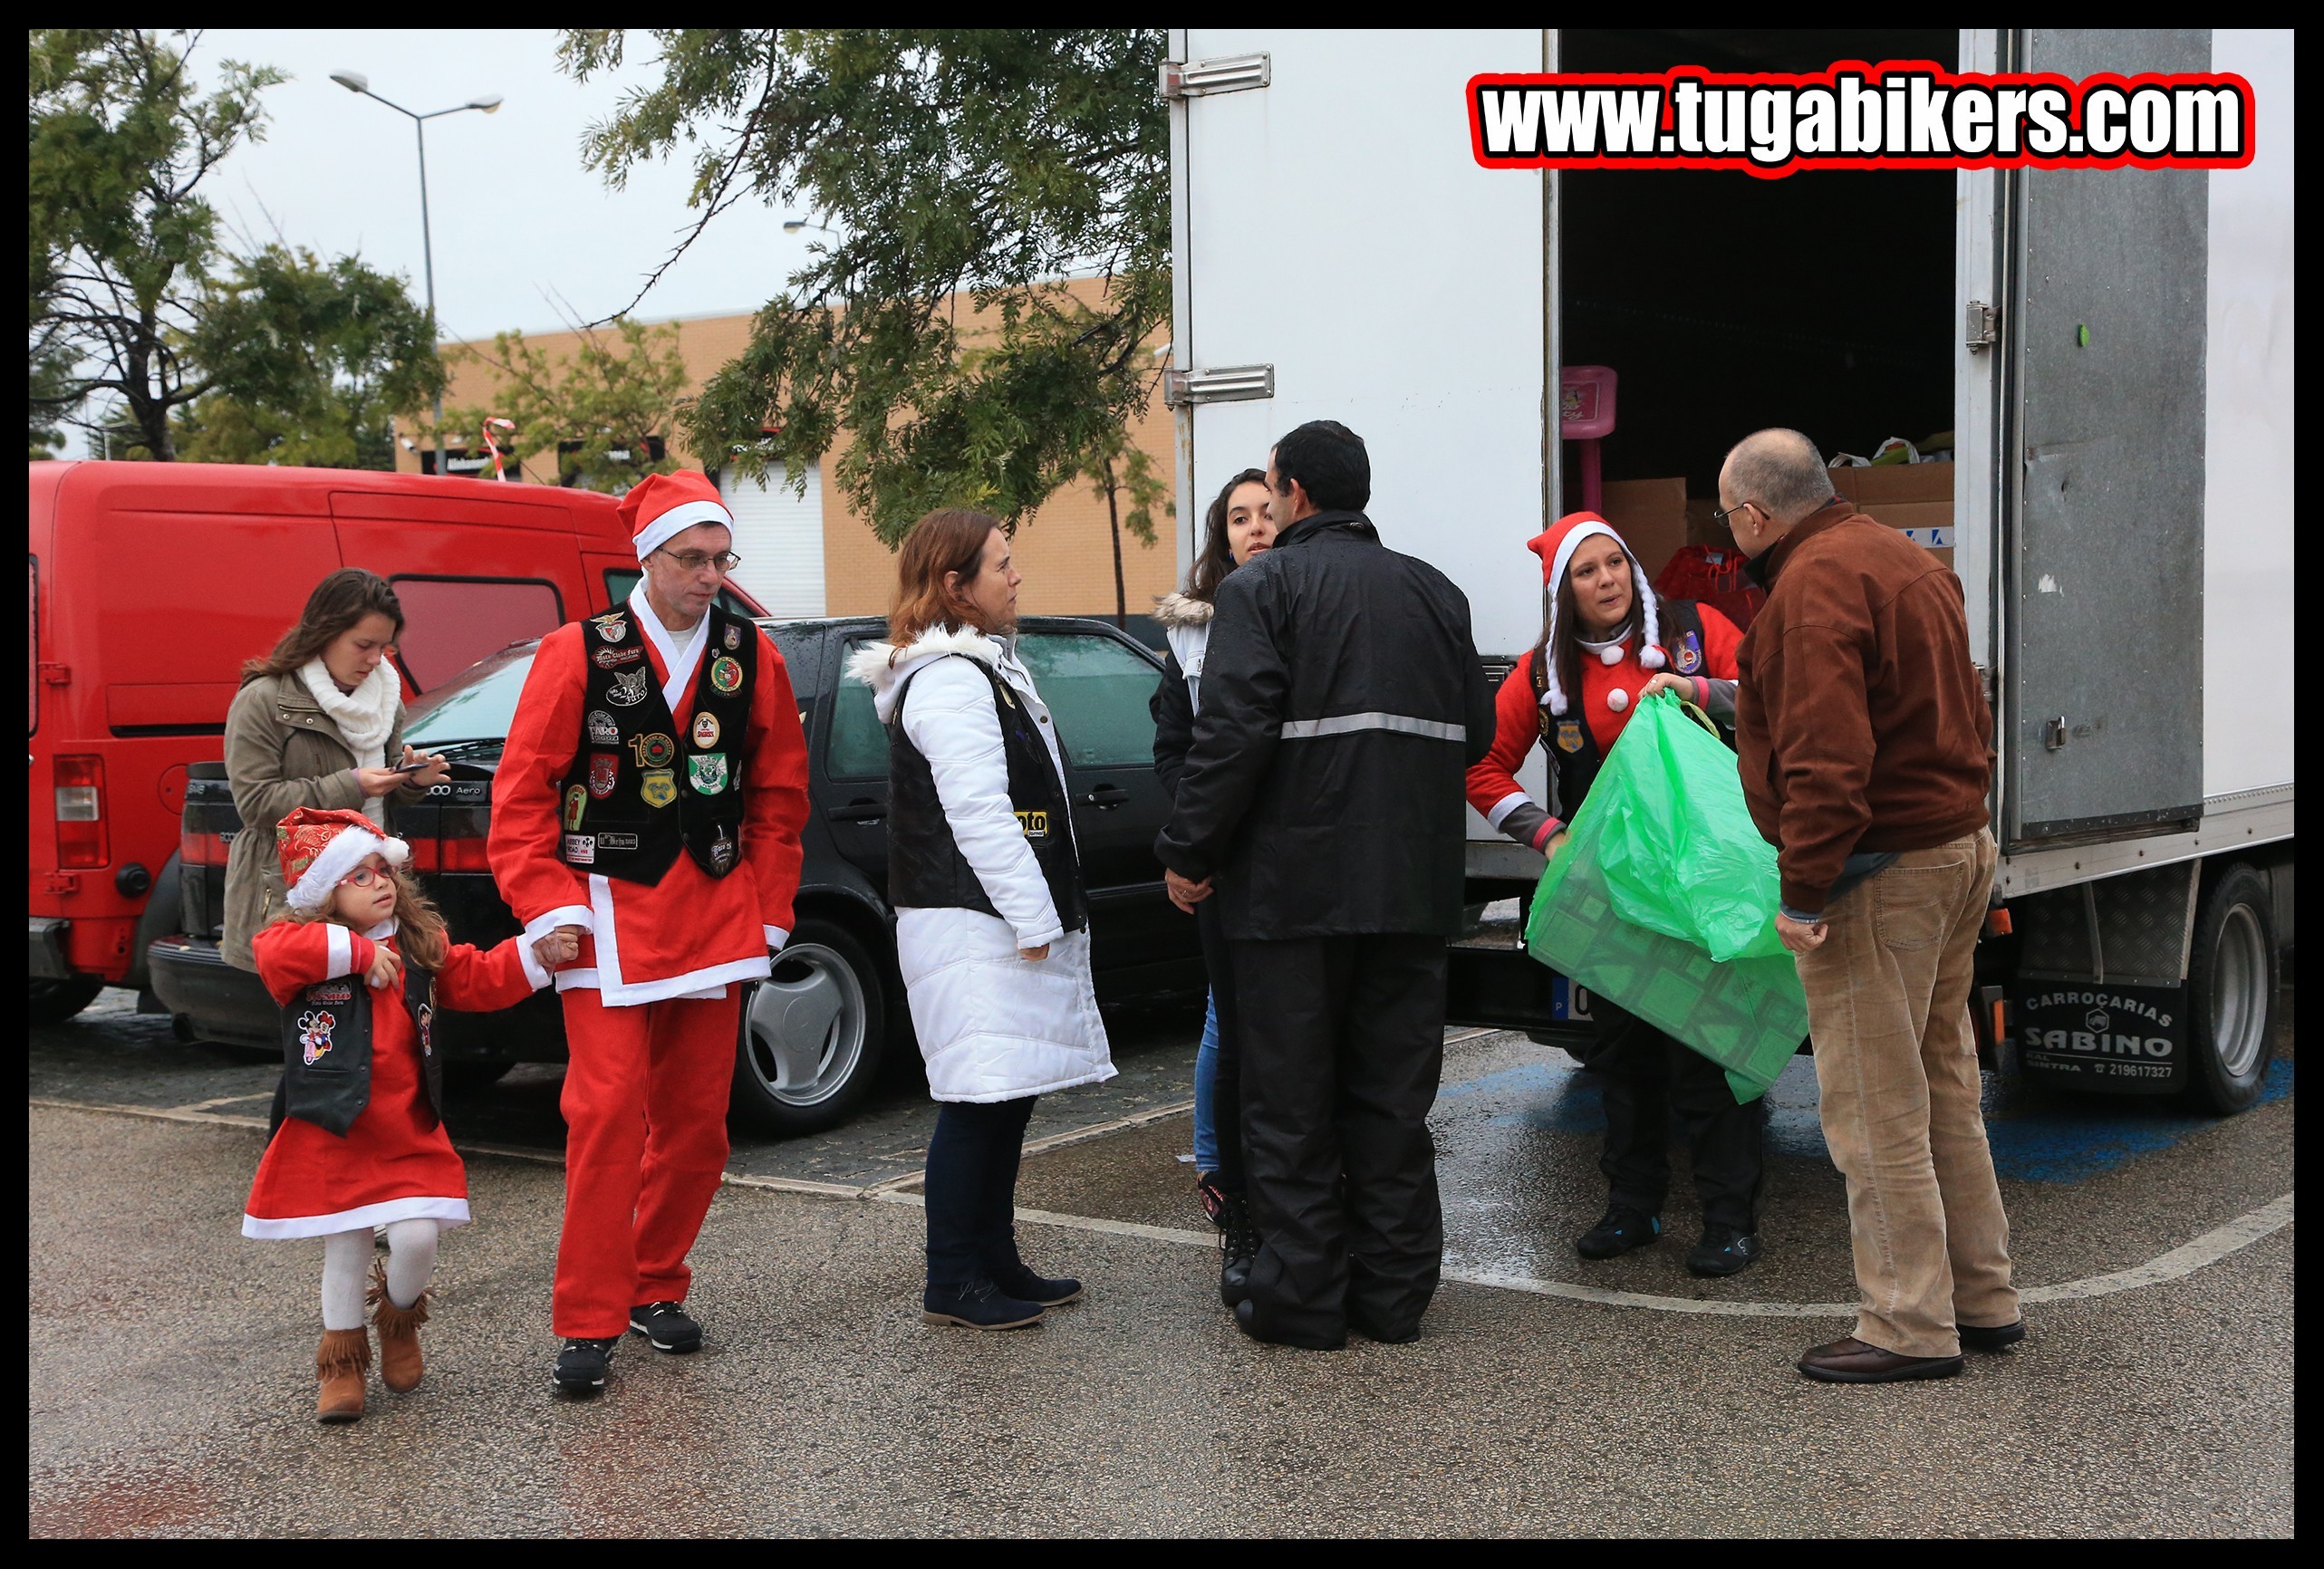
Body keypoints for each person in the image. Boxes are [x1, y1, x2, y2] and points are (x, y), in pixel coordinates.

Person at [1155, 420, 1495, 1350]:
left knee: (1291, 1105)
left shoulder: (1262, 589)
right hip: (1414, 892)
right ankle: (1391, 1299)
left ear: (1295, 491)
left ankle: (1301, 1301)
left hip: (1291, 900)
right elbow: (1472, 727)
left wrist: (1188, 852)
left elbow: (1231, 737)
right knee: (1391, 1102)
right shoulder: (1437, 593)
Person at [489, 471, 811, 1397]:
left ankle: (653, 1279)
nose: (712, 576)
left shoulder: (754, 656)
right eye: (693, 559)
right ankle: (588, 1316)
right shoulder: (574, 653)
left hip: (715, 915)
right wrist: (548, 905)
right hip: (603, 920)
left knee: (699, 1127)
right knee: (604, 1116)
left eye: (722, 558)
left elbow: (782, 796)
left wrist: (770, 902)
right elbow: (520, 803)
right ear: (648, 557)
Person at [1720, 427, 2019, 1384]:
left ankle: (1906, 1322)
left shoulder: (1808, 590)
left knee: (1873, 1104)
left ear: (1757, 514)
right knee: (1944, 1086)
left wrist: (1803, 892)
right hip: (1956, 847)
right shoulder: (1902, 559)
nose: (1734, 535)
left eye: (1732, 519)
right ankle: (1982, 1297)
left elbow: (1830, 761)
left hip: (1875, 874)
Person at [1464, 510, 1767, 1276]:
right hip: (1612, 899)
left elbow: (1774, 693)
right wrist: (1547, 836)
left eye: (1612, 564)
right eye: (1584, 571)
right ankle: (1631, 1210)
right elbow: (1481, 771)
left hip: (1699, 886)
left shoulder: (1696, 629)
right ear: (1563, 591)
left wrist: (1694, 686)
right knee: (1622, 1062)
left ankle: (1729, 1222)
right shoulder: (1542, 674)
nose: (1604, 581)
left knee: (1708, 1056)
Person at [848, 510, 1115, 1331]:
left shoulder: (979, 670)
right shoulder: (953, 679)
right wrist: (1034, 913)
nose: (1016, 576)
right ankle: (952, 1278)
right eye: (1001, 564)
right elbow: (978, 811)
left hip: (986, 918)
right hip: (972, 922)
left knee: (1007, 1096)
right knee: (977, 1103)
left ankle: (992, 1259)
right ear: (954, 586)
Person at [244, 805, 564, 1423]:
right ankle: (340, 1367)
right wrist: (358, 956)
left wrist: (538, 954)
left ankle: (399, 1317)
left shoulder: (416, 944)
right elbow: (274, 950)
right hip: (337, 1125)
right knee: (346, 1248)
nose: (381, 882)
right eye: (358, 876)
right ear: (325, 894)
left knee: (417, 1237)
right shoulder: (307, 949)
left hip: (407, 1124)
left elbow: (475, 975)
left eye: (382, 869)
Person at [1151, 466, 1274, 1299]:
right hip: (1223, 866)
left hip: (1298, 862)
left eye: (1268, 511)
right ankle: (1225, 1189)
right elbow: (1176, 754)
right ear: (1218, 538)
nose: (1256, 527)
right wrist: (1193, 845)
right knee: (1227, 1024)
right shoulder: (1189, 639)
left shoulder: (1305, 606)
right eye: (1238, 517)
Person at [223, 569, 450, 975]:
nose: (375, 659)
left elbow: (381, 796)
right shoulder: (262, 700)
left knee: (378, 1030)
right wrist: (352, 785)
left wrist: (410, 782)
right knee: (310, 1037)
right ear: (324, 633)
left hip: (373, 900)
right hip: (292, 908)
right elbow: (255, 805)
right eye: (363, 644)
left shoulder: (385, 701)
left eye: (385, 647)